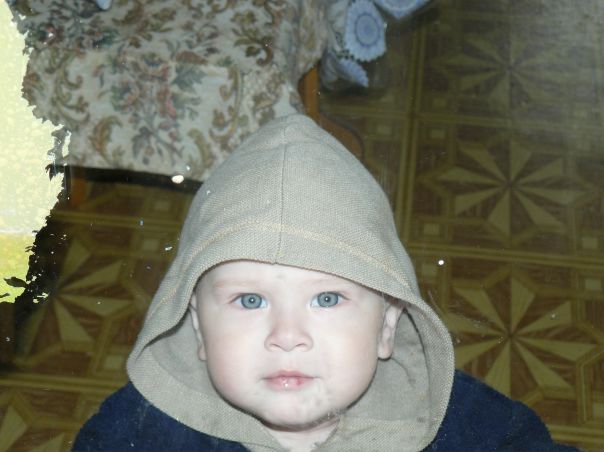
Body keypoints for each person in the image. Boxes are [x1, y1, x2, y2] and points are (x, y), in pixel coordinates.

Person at [73, 114, 579, 452]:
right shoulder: (137, 433)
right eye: (250, 300)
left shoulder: (468, 427)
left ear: (387, 326)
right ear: (199, 327)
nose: (288, 336)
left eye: (327, 297)